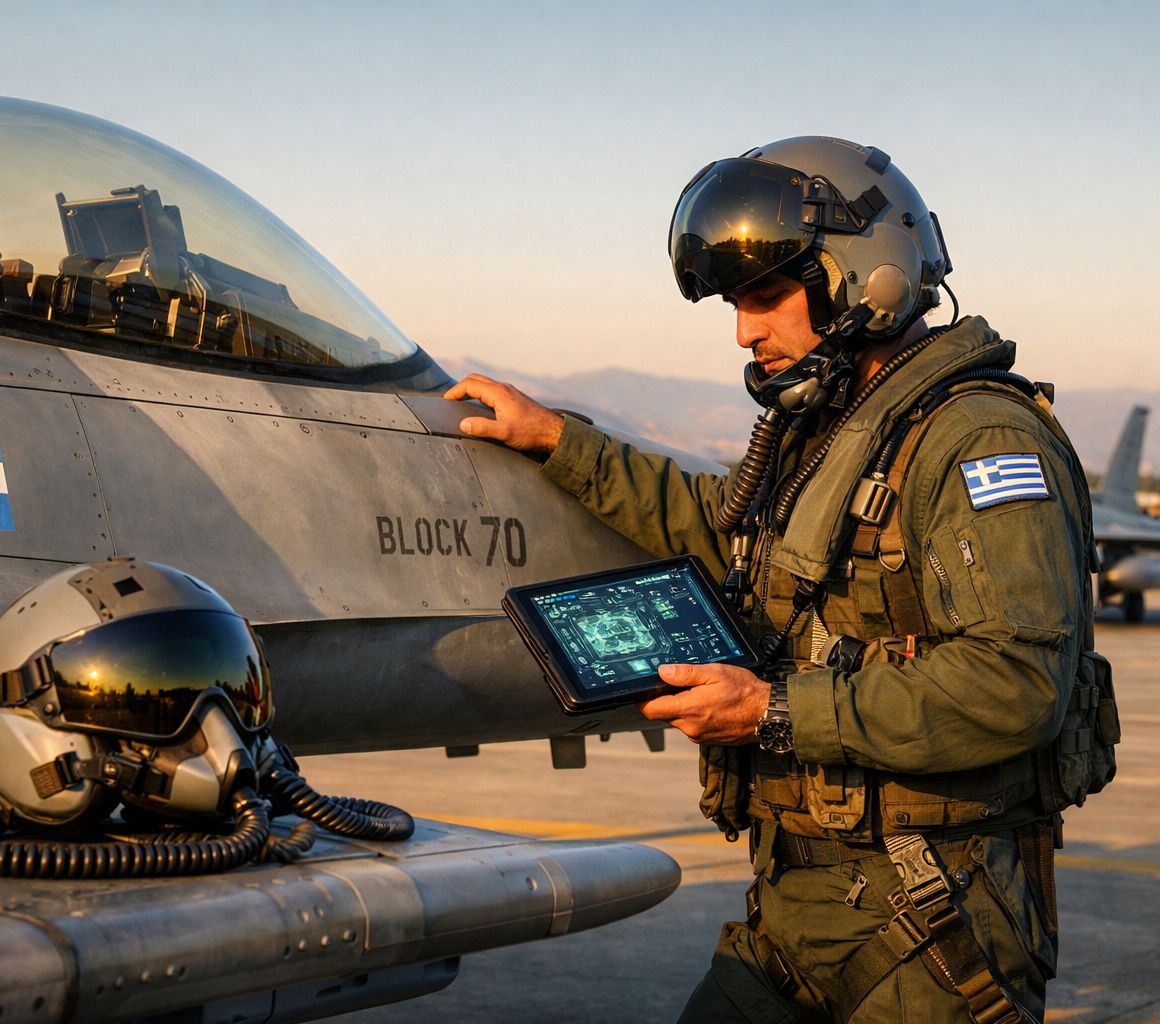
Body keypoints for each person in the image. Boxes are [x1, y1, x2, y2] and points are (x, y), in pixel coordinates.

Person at [446, 137, 1112, 1024]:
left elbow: (1016, 682)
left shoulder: (977, 441)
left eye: (764, 297)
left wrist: (772, 711)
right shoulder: (835, 433)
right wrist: (561, 442)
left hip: (929, 924)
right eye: (734, 303)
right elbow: (720, 527)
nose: (744, 330)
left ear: (863, 278)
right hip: (799, 908)